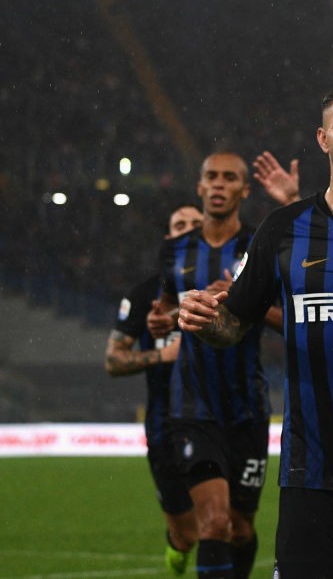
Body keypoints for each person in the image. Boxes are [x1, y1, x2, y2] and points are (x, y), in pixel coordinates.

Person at [177, 83, 333, 579]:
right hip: (311, 472)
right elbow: (234, 324)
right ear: (323, 138)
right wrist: (206, 321)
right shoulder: (281, 228)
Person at [149, 151, 271, 579]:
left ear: (244, 189)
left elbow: (284, 312)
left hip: (247, 407)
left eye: (229, 178)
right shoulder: (174, 250)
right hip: (193, 407)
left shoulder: (259, 245)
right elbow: (166, 309)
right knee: (215, 522)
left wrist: (240, 299)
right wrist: (161, 320)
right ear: (200, 186)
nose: (219, 184)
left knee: (240, 527)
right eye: (212, 177)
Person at [105, 203, 203, 576]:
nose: (188, 229)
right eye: (180, 224)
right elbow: (113, 360)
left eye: (196, 224)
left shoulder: (228, 288)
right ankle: (178, 543)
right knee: (188, 534)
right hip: (166, 425)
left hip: (218, 419)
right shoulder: (145, 293)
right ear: (169, 238)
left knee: (224, 524)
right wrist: (164, 356)